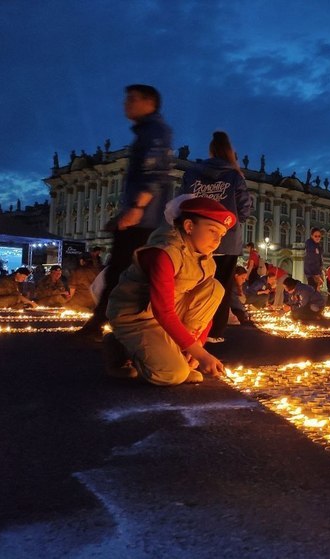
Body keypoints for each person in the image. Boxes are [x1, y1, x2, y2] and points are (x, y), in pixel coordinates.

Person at [105, 197, 236, 385]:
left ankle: (175, 356)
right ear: (189, 226)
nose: (217, 240)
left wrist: (197, 346)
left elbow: (206, 309)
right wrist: (201, 355)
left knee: (215, 288)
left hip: (166, 313)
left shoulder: (207, 261)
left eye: (222, 235)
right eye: (212, 230)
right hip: (136, 316)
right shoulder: (163, 253)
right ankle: (119, 348)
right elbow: (163, 311)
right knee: (172, 374)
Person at [77, 84, 173, 338]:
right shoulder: (148, 131)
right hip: (139, 217)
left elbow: (153, 173)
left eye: (132, 99)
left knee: (122, 271)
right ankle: (111, 325)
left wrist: (137, 208)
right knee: (122, 270)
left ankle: (105, 326)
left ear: (149, 102)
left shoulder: (154, 131)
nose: (125, 104)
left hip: (143, 220)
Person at [181, 131, 252, 343]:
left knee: (192, 283)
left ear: (211, 151)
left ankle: (188, 328)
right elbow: (245, 209)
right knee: (221, 287)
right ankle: (214, 332)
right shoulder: (234, 176)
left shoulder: (192, 173)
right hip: (227, 240)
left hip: (195, 238)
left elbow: (181, 202)